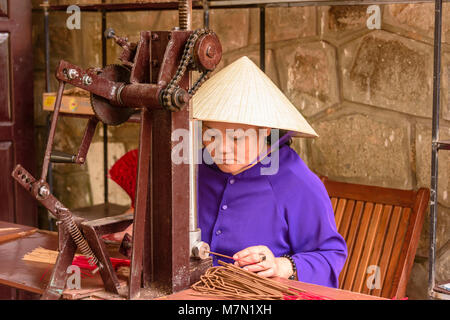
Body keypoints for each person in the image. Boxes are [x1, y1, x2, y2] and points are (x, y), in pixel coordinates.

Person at [105, 56, 347, 288]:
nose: (220, 149)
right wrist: (143, 231)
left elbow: (331, 255)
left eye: (236, 137)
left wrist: (283, 266)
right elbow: (163, 219)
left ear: (264, 131)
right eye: (210, 134)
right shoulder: (195, 167)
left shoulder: (295, 181)